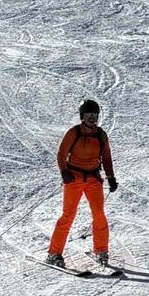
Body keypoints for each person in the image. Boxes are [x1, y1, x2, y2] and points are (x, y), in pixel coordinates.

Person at [45, 99, 118, 268]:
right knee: (68, 214)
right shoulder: (74, 132)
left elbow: (106, 157)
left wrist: (111, 177)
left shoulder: (101, 134)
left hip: (93, 178)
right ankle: (54, 253)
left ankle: (101, 251)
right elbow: (61, 154)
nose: (92, 117)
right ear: (82, 116)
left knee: (99, 214)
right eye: (88, 114)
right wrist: (64, 172)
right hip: (74, 178)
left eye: (94, 114)